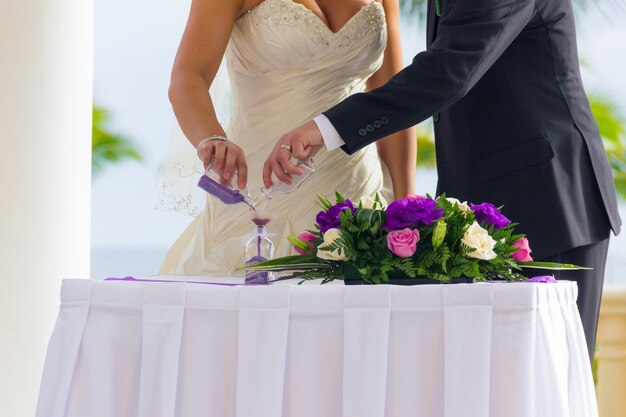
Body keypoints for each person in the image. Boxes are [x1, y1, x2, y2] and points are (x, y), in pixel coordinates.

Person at [261, 0, 621, 362]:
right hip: (484, 206)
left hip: (546, 201)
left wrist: (327, 128)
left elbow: (449, 71)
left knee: (546, 379)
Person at [160, 0, 416, 275]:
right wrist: (211, 138)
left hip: (359, 192)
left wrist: (406, 210)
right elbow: (189, 76)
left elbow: (394, 104)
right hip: (259, 190)